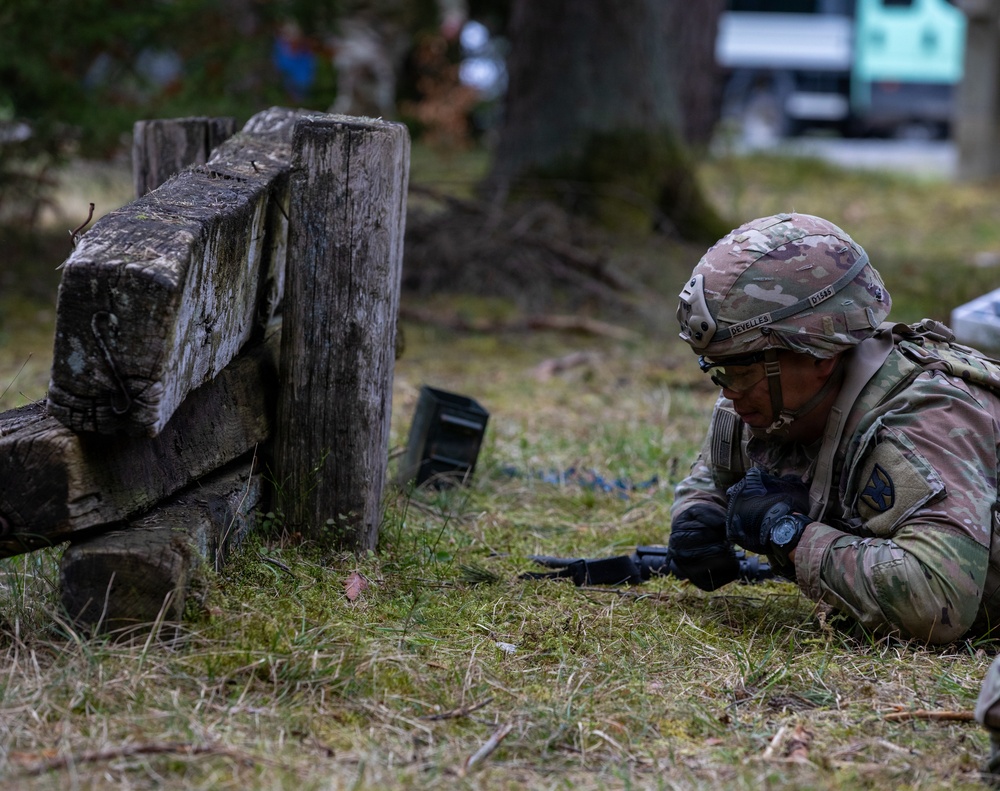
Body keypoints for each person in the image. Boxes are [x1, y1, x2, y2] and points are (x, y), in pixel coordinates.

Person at [667, 211, 1000, 647]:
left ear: (820, 355)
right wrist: (699, 513)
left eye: (740, 371)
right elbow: (717, 472)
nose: (728, 393)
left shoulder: (926, 418)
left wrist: (790, 537)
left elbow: (936, 600)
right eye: (718, 371)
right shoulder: (776, 396)